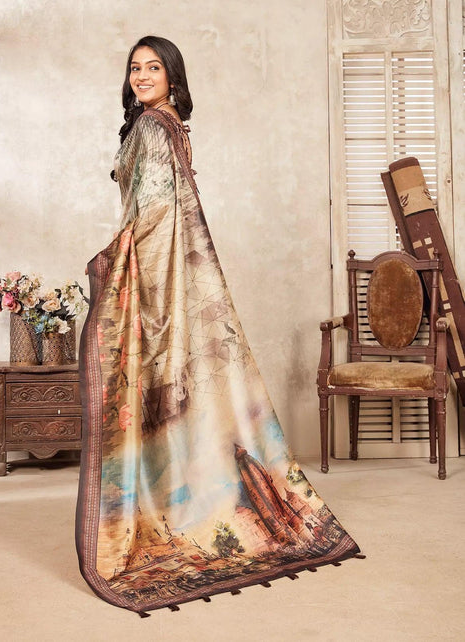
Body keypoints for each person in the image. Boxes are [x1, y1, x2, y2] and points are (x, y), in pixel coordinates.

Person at [76, 35, 361, 616]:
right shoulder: (168, 126)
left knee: (147, 386)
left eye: (153, 67)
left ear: (173, 77)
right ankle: (180, 498)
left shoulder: (154, 129)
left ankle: (170, 512)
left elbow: (154, 214)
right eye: (135, 68)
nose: (141, 75)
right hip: (174, 273)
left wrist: (113, 258)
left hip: (158, 274)